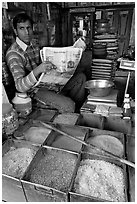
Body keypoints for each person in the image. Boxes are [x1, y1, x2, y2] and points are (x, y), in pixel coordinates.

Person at [6, 12, 87, 112]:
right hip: (33, 91)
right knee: (69, 106)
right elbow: (20, 86)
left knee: (81, 78)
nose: (26, 32)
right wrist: (38, 69)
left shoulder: (33, 44)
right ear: (15, 31)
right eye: (21, 28)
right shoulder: (13, 54)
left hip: (47, 82)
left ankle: (78, 112)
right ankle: (70, 112)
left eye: (29, 28)